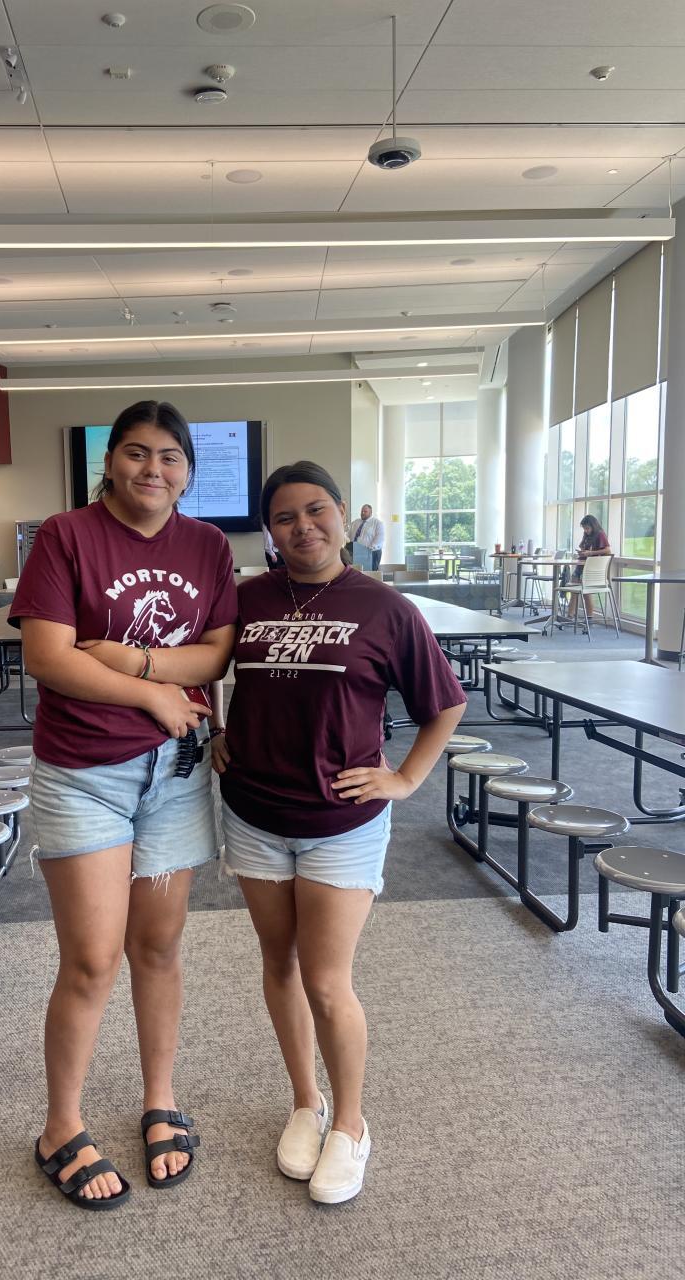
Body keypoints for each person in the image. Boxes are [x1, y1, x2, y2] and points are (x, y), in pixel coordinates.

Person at [211, 461, 466, 1205]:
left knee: (326, 981)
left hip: (340, 822)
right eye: (285, 517)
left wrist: (405, 779)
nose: (303, 527)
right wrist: (215, 727)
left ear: (344, 514)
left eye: (316, 510)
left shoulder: (384, 607)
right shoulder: (248, 598)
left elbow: (443, 704)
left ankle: (351, 1123)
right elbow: (202, 667)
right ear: (269, 531)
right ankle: (306, 1102)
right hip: (254, 813)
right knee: (279, 964)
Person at [9, 400, 237, 1210]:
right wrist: (155, 694)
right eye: (137, 453)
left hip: (175, 774)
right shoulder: (67, 535)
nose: (153, 469)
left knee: (160, 947)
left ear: (188, 471)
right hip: (85, 775)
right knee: (92, 959)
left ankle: (159, 1100)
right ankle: (60, 1127)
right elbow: (48, 657)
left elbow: (217, 651)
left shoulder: (207, 546)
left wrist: (131, 660)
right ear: (109, 462)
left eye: (170, 456)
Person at [565, 513, 611, 623]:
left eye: (587, 528)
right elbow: (585, 547)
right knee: (574, 590)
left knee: (585, 592)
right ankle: (570, 616)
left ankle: (587, 617)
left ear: (593, 526)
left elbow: (608, 550)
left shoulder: (600, 534)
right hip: (582, 566)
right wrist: (583, 552)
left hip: (591, 568)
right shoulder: (587, 535)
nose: (586, 531)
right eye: (584, 528)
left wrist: (590, 553)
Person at [350, 503, 385, 570]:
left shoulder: (377, 523)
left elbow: (379, 539)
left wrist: (367, 551)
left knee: (370, 574)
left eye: (365, 511)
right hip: (355, 552)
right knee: (357, 572)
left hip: (372, 553)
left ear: (371, 513)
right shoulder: (355, 522)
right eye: (362, 511)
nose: (362, 513)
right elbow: (348, 535)